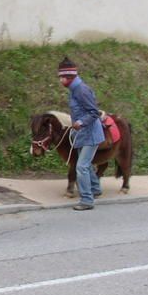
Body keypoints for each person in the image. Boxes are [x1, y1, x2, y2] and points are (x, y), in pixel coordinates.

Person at [58, 56, 105, 211]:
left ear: (70, 77)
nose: (60, 81)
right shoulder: (73, 90)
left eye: (62, 77)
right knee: (86, 164)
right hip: (82, 135)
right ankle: (95, 189)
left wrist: (80, 122)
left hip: (90, 134)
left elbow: (94, 112)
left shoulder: (81, 90)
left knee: (81, 167)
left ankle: (87, 200)